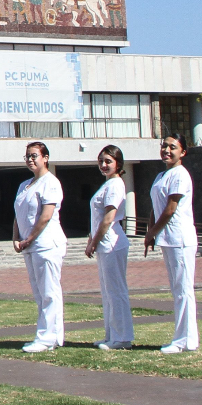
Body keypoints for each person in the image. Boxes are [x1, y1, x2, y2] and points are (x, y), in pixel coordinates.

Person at [144, 136, 200, 354]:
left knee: (184, 290)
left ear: (183, 152)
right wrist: (150, 233)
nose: (166, 150)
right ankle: (186, 338)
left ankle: (184, 340)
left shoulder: (180, 175)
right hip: (167, 239)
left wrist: (152, 233)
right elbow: (156, 207)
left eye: (172, 147)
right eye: (164, 146)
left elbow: (170, 209)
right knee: (178, 290)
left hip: (180, 238)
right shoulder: (161, 175)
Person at [12, 141, 66, 352]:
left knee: (49, 292)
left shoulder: (50, 182)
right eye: (27, 156)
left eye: (34, 155)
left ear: (45, 157)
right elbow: (18, 213)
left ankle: (48, 338)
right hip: (30, 245)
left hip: (46, 244)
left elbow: (45, 216)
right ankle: (48, 335)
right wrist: (16, 237)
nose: (30, 160)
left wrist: (29, 238)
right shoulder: (24, 185)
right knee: (39, 292)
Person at [84, 144, 134, 350]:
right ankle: (111, 335)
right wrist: (92, 239)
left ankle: (122, 338)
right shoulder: (106, 185)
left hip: (112, 243)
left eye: (108, 161)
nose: (104, 165)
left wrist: (93, 242)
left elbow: (109, 218)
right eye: (101, 161)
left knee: (116, 291)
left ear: (118, 164)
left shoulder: (115, 185)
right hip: (103, 245)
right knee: (107, 292)